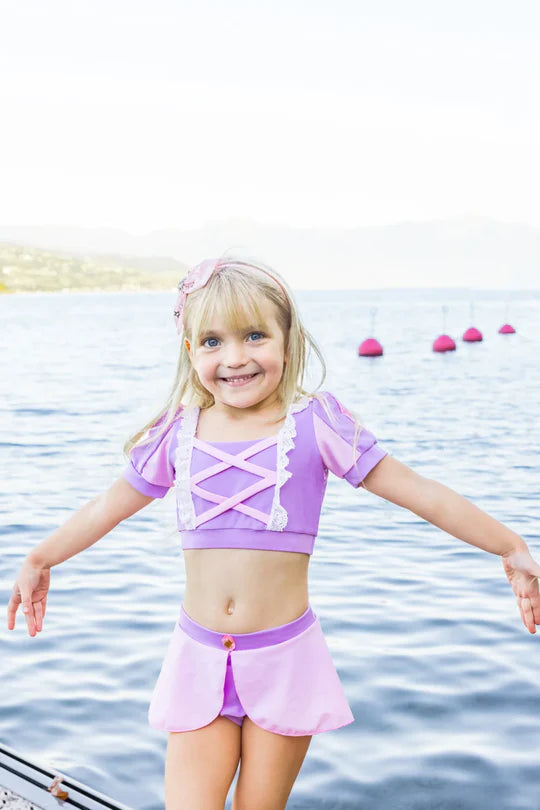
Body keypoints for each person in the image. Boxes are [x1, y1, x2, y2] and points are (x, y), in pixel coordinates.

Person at [7, 253, 540, 810]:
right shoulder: (176, 433)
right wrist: (41, 558)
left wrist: (510, 546)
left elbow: (422, 492)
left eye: (255, 335)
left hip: (286, 660)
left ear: (290, 340)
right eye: (212, 341)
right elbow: (106, 507)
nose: (235, 357)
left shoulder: (317, 423)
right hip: (199, 657)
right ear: (190, 351)